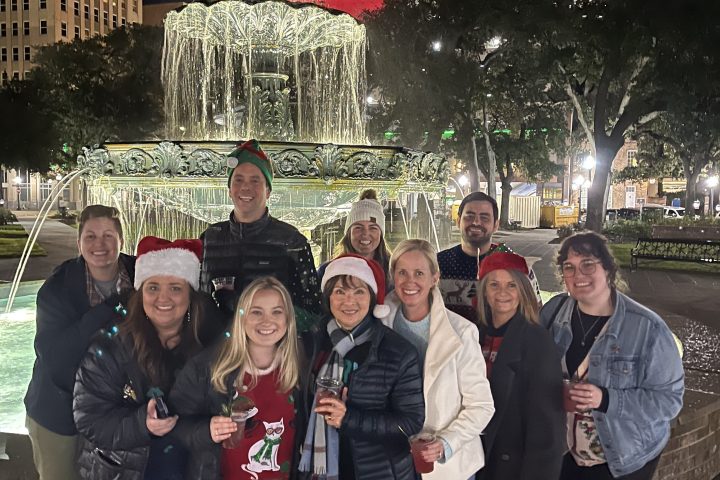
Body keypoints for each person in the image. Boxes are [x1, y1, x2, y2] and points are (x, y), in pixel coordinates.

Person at [541, 232, 684, 479]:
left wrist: (605, 399)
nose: (578, 275)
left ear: (607, 269)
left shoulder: (647, 328)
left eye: (588, 265)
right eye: (569, 267)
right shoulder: (554, 312)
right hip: (561, 453)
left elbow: (668, 401)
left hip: (619, 461)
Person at [73, 236, 214, 479]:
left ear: (191, 296)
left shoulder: (209, 344)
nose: (163, 298)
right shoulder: (109, 347)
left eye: (176, 288)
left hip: (189, 468)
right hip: (124, 470)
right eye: (153, 287)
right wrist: (142, 424)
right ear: (140, 294)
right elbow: (88, 419)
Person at [24, 204, 135, 480]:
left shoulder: (142, 275)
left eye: (109, 235)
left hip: (119, 412)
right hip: (58, 410)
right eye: (90, 236)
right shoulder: (57, 288)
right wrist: (111, 308)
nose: (100, 244)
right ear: (79, 243)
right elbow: (54, 357)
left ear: (121, 240)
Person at [299, 254, 425, 479]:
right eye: (339, 292)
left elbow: (410, 423)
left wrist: (349, 419)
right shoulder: (311, 343)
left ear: (372, 298)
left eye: (359, 291)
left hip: (378, 471)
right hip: (317, 469)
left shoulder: (398, 352)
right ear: (328, 297)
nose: (349, 301)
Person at [169, 276, 306, 479]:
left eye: (277, 312)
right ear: (242, 317)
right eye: (256, 312)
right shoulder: (208, 367)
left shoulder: (301, 365)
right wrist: (205, 431)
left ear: (288, 319)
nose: (267, 321)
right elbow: (174, 422)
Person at [381, 239, 495, 479]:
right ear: (393, 276)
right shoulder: (380, 323)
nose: (410, 281)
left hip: (446, 467)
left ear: (435, 277)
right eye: (402, 272)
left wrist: (445, 442)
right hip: (392, 459)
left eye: (419, 273)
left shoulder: (462, 332)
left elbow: (481, 406)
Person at [200, 139, 321, 329]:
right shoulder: (209, 238)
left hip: (272, 352)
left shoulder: (292, 241)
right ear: (229, 190)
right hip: (216, 351)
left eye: (255, 180)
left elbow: (313, 313)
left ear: (268, 191)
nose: (245, 187)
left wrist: (263, 315)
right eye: (238, 179)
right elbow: (198, 302)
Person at [475, 251, 565, 480]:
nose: (502, 292)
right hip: (477, 457)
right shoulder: (474, 334)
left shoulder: (537, 340)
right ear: (484, 290)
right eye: (494, 284)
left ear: (523, 290)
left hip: (513, 465)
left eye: (512, 285)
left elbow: (547, 427)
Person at [437, 191, 540, 322]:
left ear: (495, 225)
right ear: (458, 221)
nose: (476, 222)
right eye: (469, 216)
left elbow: (535, 313)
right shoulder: (438, 264)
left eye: (484, 218)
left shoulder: (518, 267)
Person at [317, 189, 393, 289]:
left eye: (373, 228)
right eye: (358, 227)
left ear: (381, 234)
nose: (365, 234)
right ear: (348, 233)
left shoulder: (394, 271)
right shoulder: (327, 270)